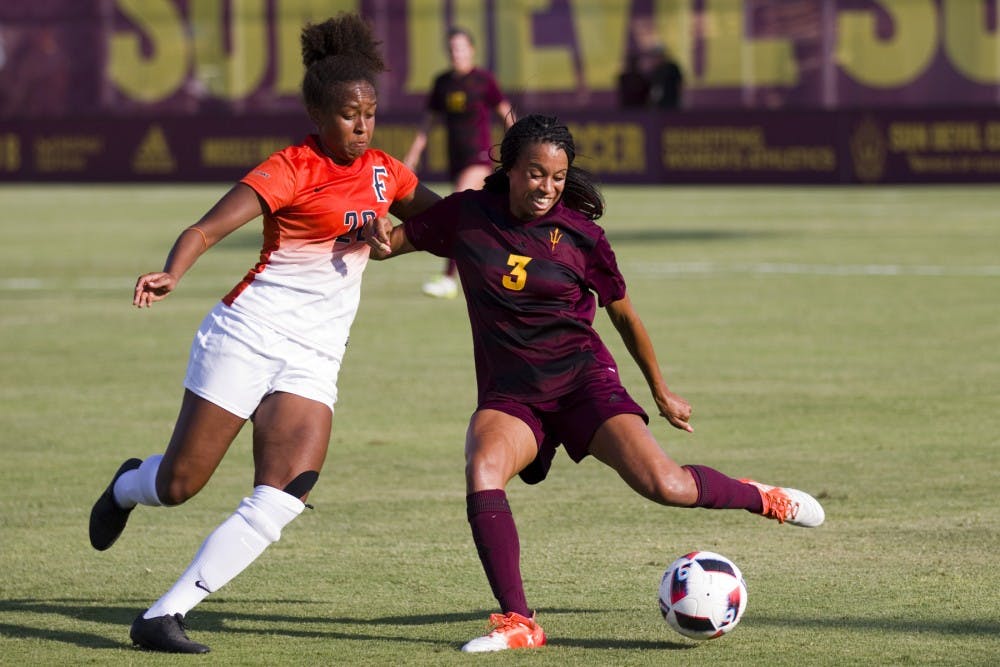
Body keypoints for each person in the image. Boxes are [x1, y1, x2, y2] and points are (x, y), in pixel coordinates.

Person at [368, 114, 824, 653]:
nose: (547, 188)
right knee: (483, 468)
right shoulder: (466, 215)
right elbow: (385, 245)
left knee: (668, 487)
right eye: (536, 174)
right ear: (510, 168)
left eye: (558, 178)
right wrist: (368, 211)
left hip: (582, 381)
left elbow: (625, 317)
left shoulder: (582, 237)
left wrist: (660, 391)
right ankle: (519, 622)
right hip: (513, 394)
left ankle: (761, 497)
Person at [87, 13, 440, 654]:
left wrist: (399, 241)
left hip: (315, 354)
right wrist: (173, 271)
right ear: (316, 113)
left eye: (370, 113)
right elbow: (203, 230)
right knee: (179, 485)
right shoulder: (292, 167)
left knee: (286, 491)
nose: (361, 126)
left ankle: (164, 615)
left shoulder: (388, 171)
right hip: (247, 334)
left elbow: (444, 222)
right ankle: (126, 485)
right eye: (347, 115)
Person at [403, 26, 515, 299]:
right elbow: (427, 124)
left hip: (479, 158)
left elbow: (506, 112)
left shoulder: (483, 80)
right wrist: (413, 156)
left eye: (462, 48)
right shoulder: (442, 83)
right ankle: (501, 272)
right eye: (452, 49)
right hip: (456, 160)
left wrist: (519, 144)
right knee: (478, 219)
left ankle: (449, 278)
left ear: (472, 50)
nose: (457, 53)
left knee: (457, 207)